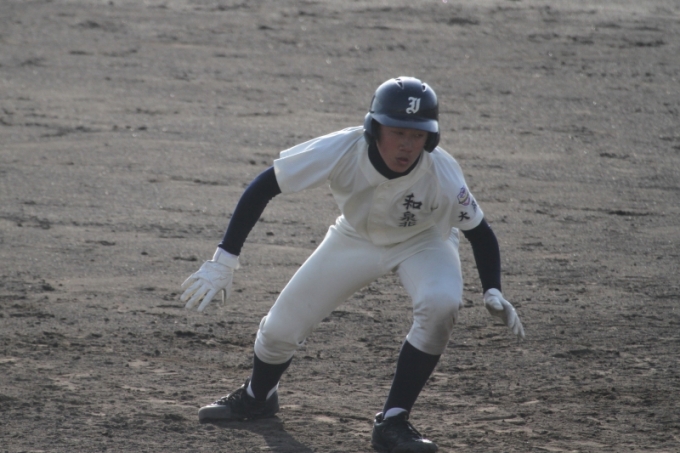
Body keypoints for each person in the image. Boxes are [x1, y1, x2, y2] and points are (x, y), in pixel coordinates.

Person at [180, 76, 525, 453]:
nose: (407, 145)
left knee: (442, 304)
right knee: (279, 331)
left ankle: (393, 421)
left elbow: (481, 233)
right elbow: (265, 186)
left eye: (418, 135)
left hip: (424, 241)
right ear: (374, 128)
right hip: (354, 237)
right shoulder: (342, 148)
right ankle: (257, 397)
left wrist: (492, 289)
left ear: (431, 138)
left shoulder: (442, 173)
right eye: (397, 132)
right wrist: (224, 260)